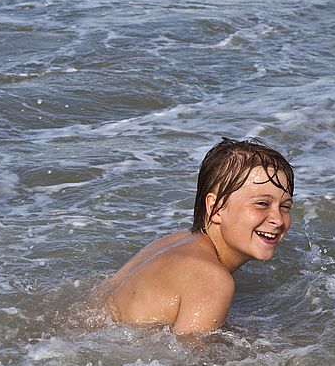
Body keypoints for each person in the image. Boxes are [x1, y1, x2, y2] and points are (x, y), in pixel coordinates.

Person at [97, 137, 294, 335]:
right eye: (262, 204)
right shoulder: (213, 280)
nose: (278, 219)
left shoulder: (178, 240)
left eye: (285, 207)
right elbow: (189, 361)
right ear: (216, 208)